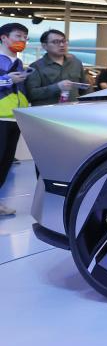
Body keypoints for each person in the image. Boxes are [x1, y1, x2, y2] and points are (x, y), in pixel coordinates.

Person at [0, 23, 30, 216]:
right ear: (4, 37)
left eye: (25, 37)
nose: (22, 41)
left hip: (14, 117)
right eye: (18, 36)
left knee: (6, 162)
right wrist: (8, 80)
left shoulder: (18, 62)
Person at [24, 29, 89, 106]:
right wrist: (57, 87)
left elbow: (84, 88)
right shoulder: (35, 67)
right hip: (46, 113)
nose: (62, 45)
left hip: (72, 110)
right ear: (44, 46)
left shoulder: (76, 62)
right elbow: (31, 95)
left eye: (64, 41)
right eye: (55, 42)